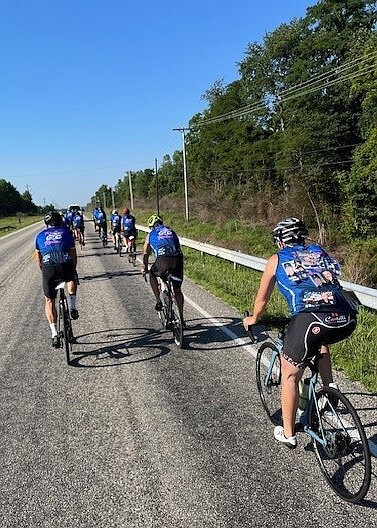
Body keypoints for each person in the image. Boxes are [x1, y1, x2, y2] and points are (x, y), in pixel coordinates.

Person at [243, 217, 357, 448]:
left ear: (280, 241)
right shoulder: (319, 251)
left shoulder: (277, 259)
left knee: (290, 374)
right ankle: (330, 388)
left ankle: (288, 433)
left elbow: (263, 297)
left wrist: (253, 318)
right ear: (303, 237)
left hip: (309, 318)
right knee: (320, 339)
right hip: (346, 317)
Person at [35, 211, 79, 348]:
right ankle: (72, 306)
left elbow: (38, 259)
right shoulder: (66, 233)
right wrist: (73, 270)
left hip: (49, 268)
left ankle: (54, 334)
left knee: (49, 300)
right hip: (65, 264)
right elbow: (73, 255)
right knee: (72, 278)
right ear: (60, 222)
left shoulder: (40, 236)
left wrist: (45, 272)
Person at [141, 214, 184, 320]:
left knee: (152, 274)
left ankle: (158, 301)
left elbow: (145, 253)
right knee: (177, 289)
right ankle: (182, 318)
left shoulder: (150, 234)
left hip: (163, 260)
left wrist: (145, 268)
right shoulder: (171, 231)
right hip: (178, 259)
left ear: (151, 226)